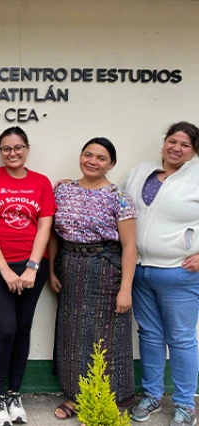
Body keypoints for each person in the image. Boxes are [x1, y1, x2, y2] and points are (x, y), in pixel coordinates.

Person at [49, 137, 137, 420]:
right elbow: (54, 234)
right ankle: (77, 397)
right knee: (73, 335)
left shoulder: (119, 196)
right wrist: (51, 270)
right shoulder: (62, 190)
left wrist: (126, 289)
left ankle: (113, 398)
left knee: (107, 336)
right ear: (80, 156)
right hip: (70, 266)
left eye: (101, 158)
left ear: (111, 164)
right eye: (88, 154)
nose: (93, 161)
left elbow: (130, 246)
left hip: (105, 268)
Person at [0, 126, 55, 426]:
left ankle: (13, 393)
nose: (13, 153)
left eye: (18, 147)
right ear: (0, 152)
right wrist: (6, 270)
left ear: (27, 149)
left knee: (23, 327)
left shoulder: (41, 182)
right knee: (5, 327)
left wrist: (32, 266)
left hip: (33, 265)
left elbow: (45, 227)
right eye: (7, 148)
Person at [123, 122, 199, 426]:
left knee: (181, 339)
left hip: (178, 274)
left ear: (193, 151)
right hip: (140, 272)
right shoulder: (140, 171)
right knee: (150, 336)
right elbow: (116, 201)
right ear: (163, 143)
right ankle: (152, 396)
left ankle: (184, 404)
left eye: (185, 144)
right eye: (172, 141)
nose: (176, 148)